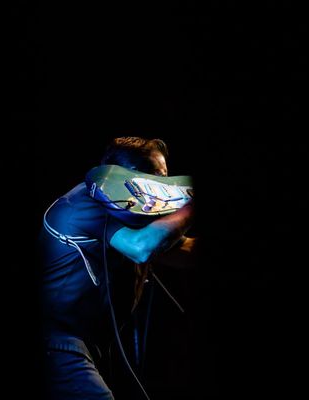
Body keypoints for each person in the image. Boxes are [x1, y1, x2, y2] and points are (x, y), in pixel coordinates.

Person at [38, 137, 197, 399]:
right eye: (157, 178)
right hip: (57, 343)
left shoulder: (132, 215)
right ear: (125, 175)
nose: (167, 188)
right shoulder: (87, 202)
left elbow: (183, 252)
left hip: (91, 346)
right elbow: (142, 246)